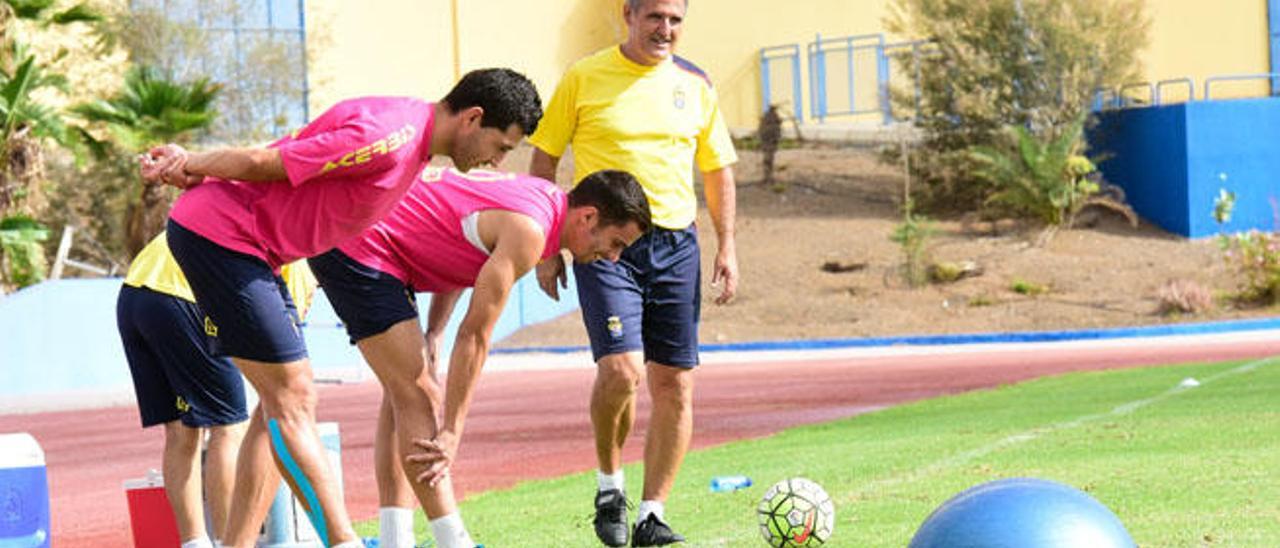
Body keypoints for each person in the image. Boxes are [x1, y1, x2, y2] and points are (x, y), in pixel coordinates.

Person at [138, 68, 542, 548]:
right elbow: (268, 161)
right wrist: (193, 160)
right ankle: (343, 540)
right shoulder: (391, 138)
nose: (495, 161)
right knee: (294, 395)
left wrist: (197, 165)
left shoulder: (412, 145)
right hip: (222, 237)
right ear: (473, 118)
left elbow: (293, 152)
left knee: (279, 407)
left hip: (258, 250)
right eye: (500, 146)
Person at [307, 167, 652, 548]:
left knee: (402, 391)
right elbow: (474, 335)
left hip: (359, 232)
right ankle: (452, 540)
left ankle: (395, 540)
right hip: (359, 242)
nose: (615, 258)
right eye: (616, 242)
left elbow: (457, 246)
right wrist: (452, 430)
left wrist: (435, 330)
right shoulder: (531, 231)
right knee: (418, 391)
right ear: (588, 217)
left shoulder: (543, 201)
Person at [527, 0, 739, 545]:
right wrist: (550, 244)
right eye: (654, 18)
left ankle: (651, 514)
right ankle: (608, 485)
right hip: (606, 246)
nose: (664, 29)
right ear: (629, 15)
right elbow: (545, 158)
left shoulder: (695, 85)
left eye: (674, 20)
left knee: (675, 384)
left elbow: (716, 170)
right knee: (622, 372)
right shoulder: (585, 76)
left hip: (676, 245)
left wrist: (727, 244)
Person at [117, 233, 315, 548]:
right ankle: (231, 541)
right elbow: (282, 358)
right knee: (229, 427)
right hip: (185, 297)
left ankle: (194, 543)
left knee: (182, 430)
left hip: (135, 294)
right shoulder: (303, 258)